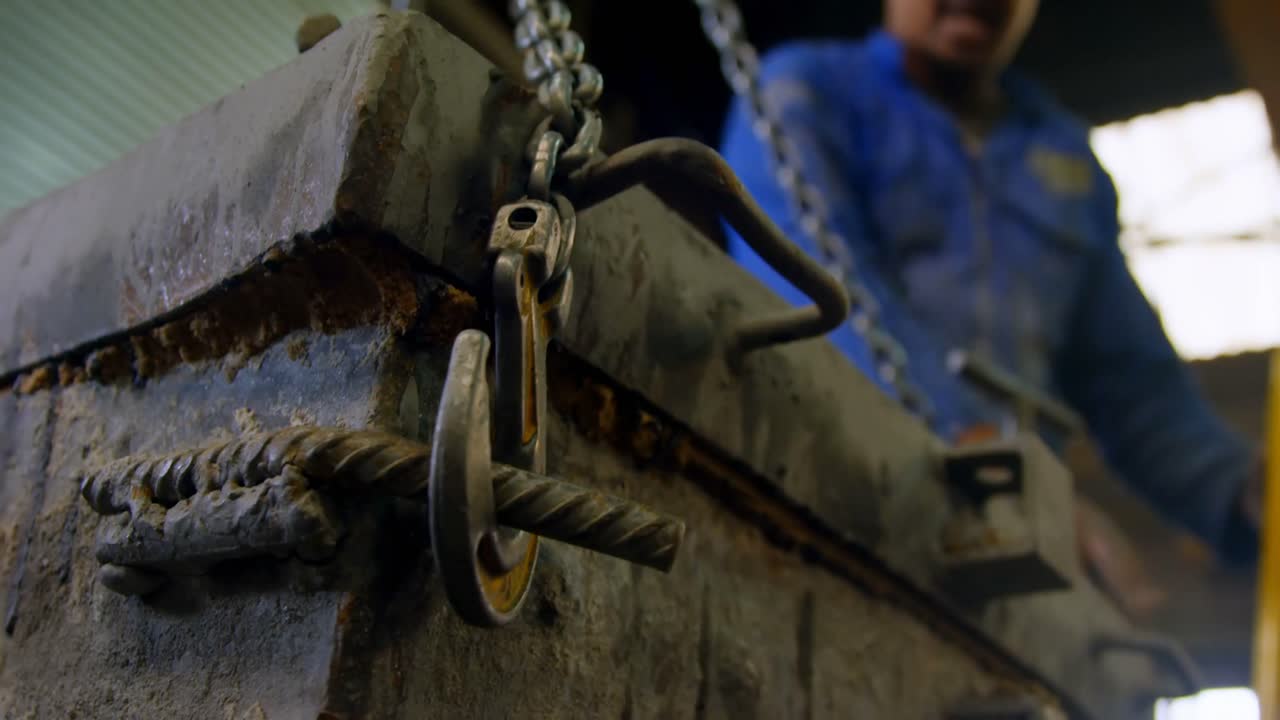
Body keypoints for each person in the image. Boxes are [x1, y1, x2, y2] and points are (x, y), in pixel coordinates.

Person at [720, 0, 1261, 575]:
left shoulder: (1062, 153)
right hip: (819, 503)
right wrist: (988, 460)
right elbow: (824, 294)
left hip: (1003, 548)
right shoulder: (804, 92)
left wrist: (1238, 489)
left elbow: (1130, 380)